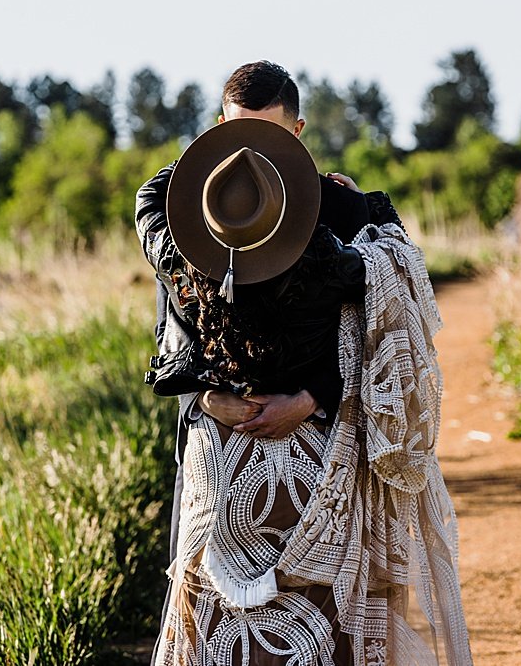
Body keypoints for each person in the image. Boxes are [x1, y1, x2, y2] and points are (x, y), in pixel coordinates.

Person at [137, 61, 470, 665]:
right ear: (216, 128)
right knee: (211, 610)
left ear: (296, 133)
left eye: (266, 134)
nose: (248, 151)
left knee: (327, 612)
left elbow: (380, 326)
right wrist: (205, 395)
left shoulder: (344, 212)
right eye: (236, 134)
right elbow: (172, 318)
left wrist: (311, 397)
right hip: (220, 441)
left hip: (318, 443)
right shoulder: (181, 202)